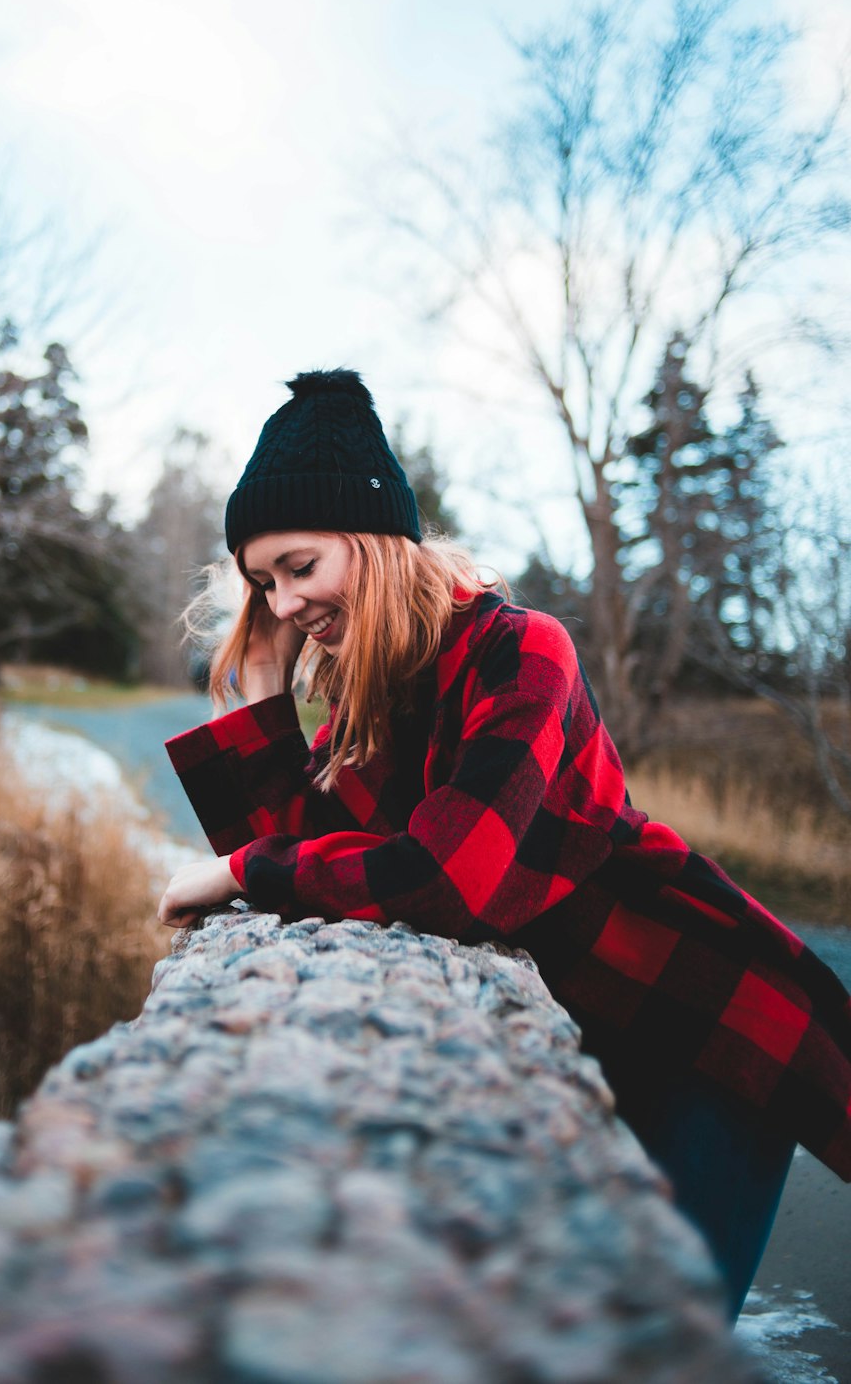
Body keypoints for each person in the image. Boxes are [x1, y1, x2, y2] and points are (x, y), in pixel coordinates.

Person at [157, 367, 851, 1321]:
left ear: (375, 542)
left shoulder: (521, 652)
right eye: (262, 582)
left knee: (657, 1339)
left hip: (700, 1023)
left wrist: (240, 869)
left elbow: (445, 879)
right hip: (589, 1025)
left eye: (299, 567)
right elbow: (317, 859)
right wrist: (268, 699)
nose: (280, 606)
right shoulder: (381, 694)